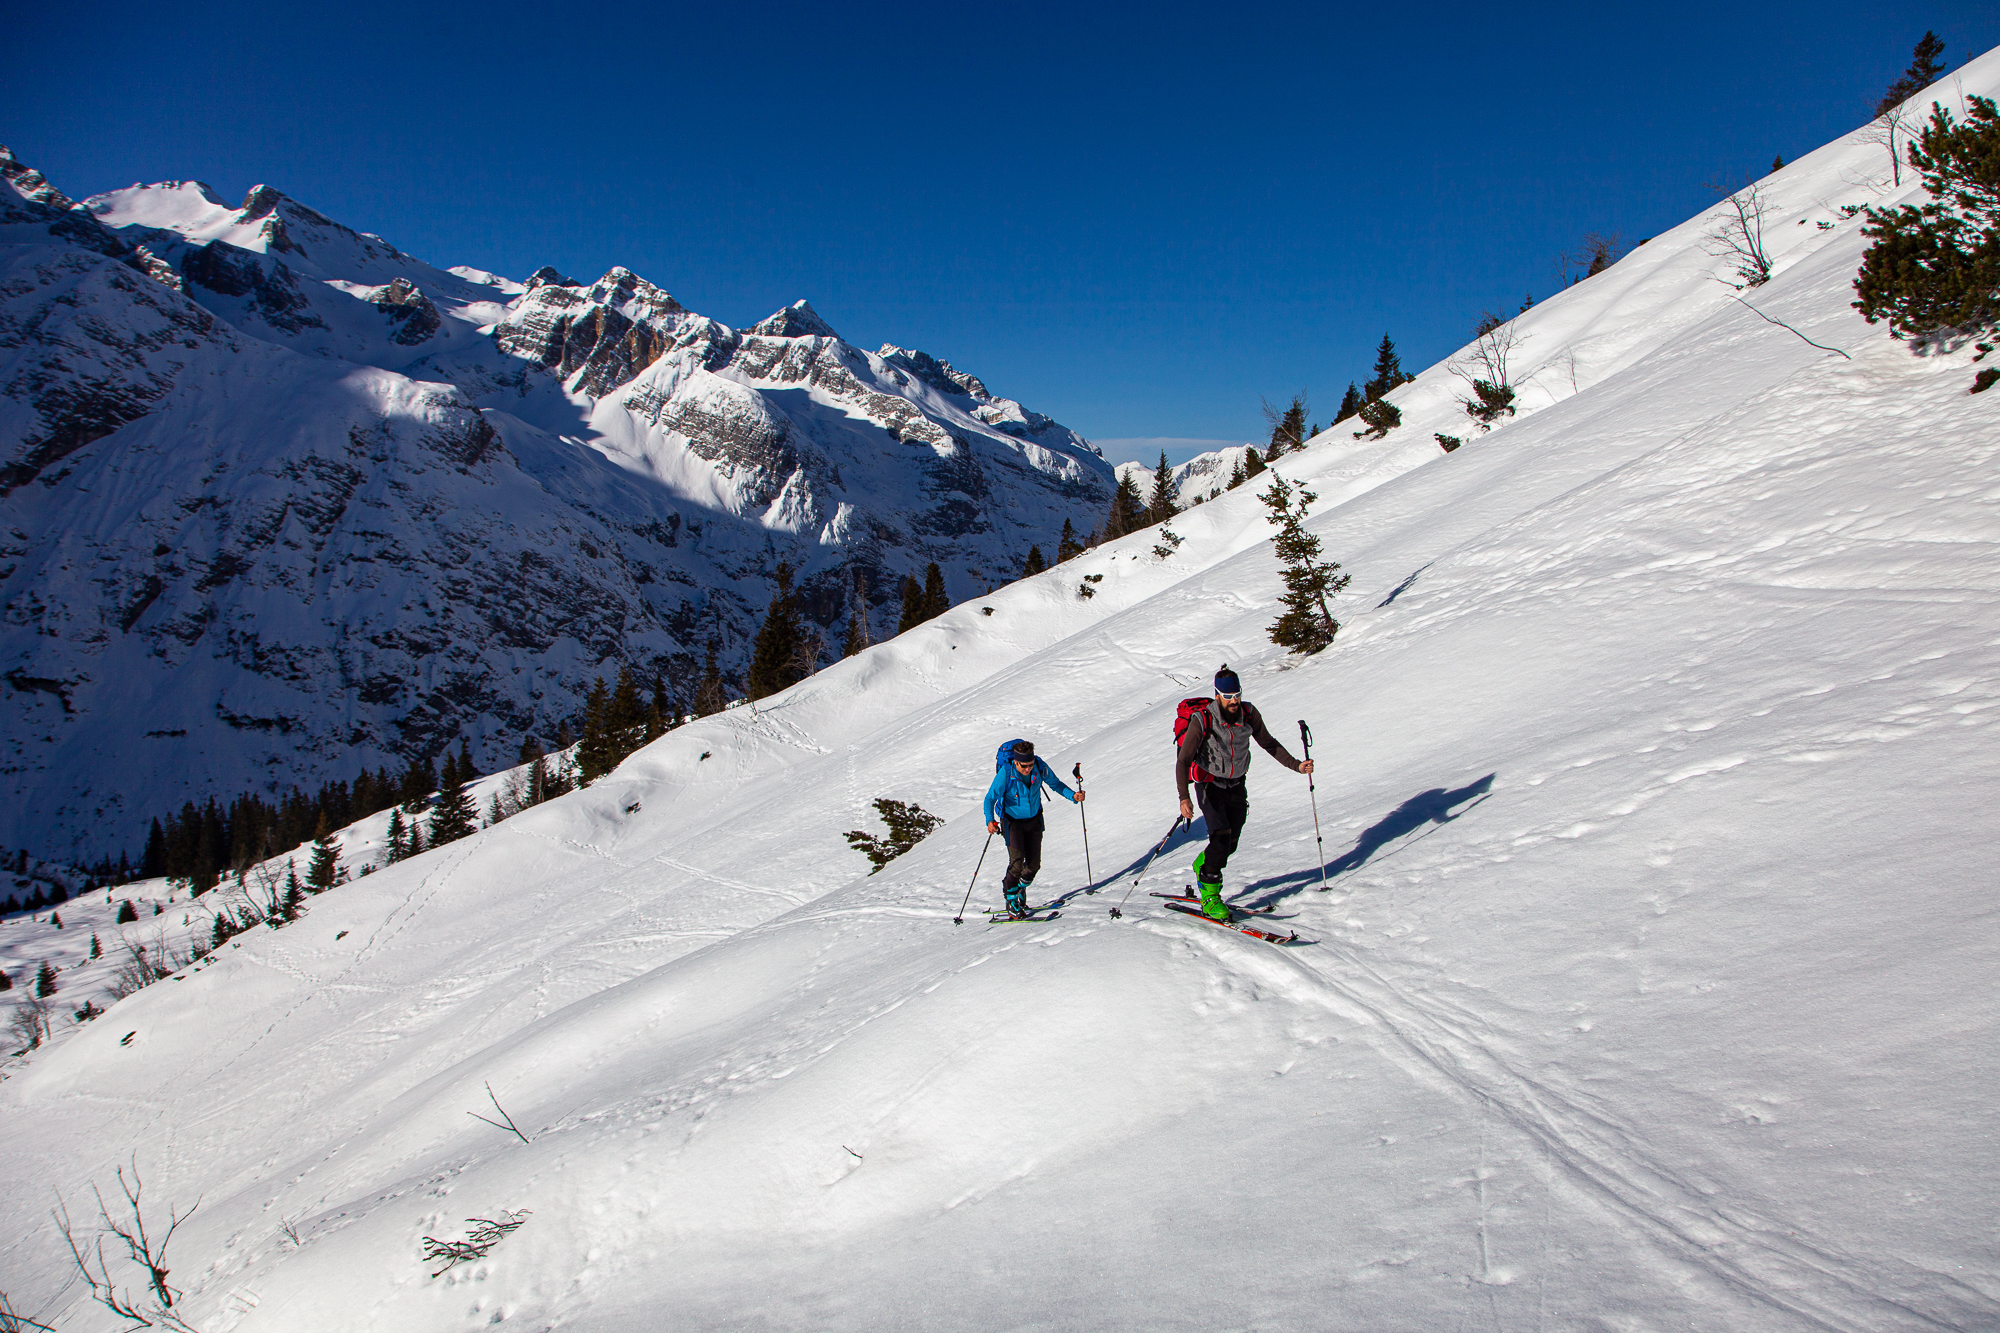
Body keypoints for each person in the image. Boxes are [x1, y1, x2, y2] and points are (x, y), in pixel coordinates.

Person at [1175, 665, 1312, 920]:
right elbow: (1183, 760)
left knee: (1231, 844)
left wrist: (1296, 765)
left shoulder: (1249, 713)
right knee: (1220, 839)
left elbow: (1268, 743)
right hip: (1210, 785)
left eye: (1237, 695)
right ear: (1218, 695)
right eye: (1228, 697)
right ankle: (1210, 895)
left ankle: (1203, 865)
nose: (1234, 701)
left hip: (1237, 784)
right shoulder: (1203, 719)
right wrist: (1184, 797)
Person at [984, 740, 1083, 918]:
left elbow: (1056, 784)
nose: (1028, 769)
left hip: (1034, 820)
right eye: (1024, 766)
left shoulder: (1039, 765)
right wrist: (990, 820)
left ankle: (1019, 888)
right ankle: (1011, 898)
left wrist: (1073, 796)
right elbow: (990, 798)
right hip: (1012, 823)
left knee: (1033, 865)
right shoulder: (1006, 773)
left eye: (1030, 765)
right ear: (1016, 761)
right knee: (1016, 863)